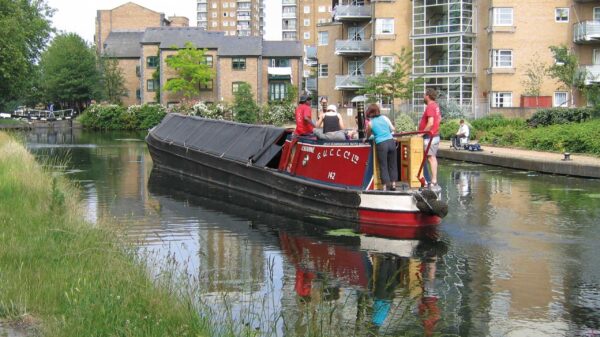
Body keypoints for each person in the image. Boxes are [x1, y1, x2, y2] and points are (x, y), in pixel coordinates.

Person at [365, 104, 397, 191]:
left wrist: (367, 138)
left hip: (381, 144)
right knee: (392, 164)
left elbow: (368, 136)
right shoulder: (385, 118)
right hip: (391, 142)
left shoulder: (371, 123)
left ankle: (384, 187)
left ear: (370, 113)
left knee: (383, 166)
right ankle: (393, 185)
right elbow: (393, 129)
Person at [418, 88, 441, 188]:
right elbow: (439, 119)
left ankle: (433, 180)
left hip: (429, 137)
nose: (423, 97)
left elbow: (430, 122)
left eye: (424, 95)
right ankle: (430, 179)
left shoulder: (430, 107)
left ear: (428, 96)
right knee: (431, 157)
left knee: (431, 158)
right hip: (434, 135)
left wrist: (421, 134)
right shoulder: (436, 106)